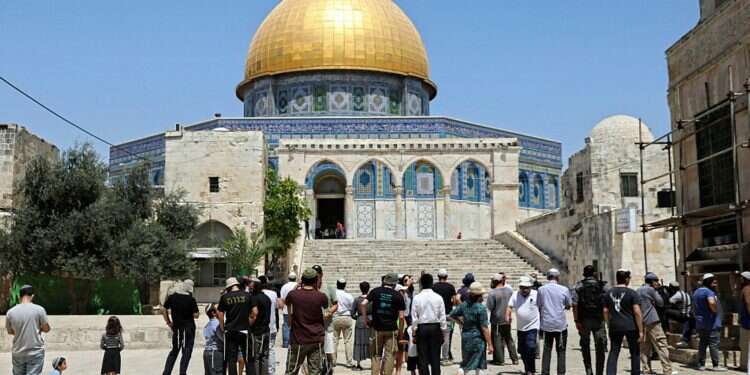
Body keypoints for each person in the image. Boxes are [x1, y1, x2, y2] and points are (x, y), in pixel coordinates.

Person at [285, 268, 329, 375]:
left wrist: (298, 285)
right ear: (316, 280)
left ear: (302, 280)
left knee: (292, 370)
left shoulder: (293, 294)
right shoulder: (321, 296)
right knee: (315, 371)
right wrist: (316, 287)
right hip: (316, 339)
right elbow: (325, 308)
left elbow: (287, 304)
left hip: (298, 339)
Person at [360, 272, 407, 375]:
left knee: (376, 355)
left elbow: (363, 304)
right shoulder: (398, 295)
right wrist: (400, 332)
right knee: (390, 355)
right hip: (391, 329)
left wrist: (365, 319)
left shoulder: (375, 291)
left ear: (384, 281)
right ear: (394, 284)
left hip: (377, 328)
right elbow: (402, 317)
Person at [604, 269, 643, 375]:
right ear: (626, 279)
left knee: (614, 351)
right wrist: (641, 330)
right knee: (635, 352)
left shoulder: (609, 293)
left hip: (615, 325)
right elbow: (637, 312)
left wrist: (608, 323)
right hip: (631, 326)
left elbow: (605, 311)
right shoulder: (632, 293)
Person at [449, 281, 493, 375]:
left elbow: (451, 315)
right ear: (479, 295)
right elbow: (484, 327)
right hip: (478, 338)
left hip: (466, 336)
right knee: (476, 363)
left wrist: (461, 323)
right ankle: (460, 372)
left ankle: (461, 371)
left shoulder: (464, 305)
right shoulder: (481, 308)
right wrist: (490, 344)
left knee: (468, 360)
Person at [6, 284, 50, 375]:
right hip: (35, 351)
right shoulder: (39, 310)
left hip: (18, 352)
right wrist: (39, 328)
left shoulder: (10, 312)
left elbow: (10, 331)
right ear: (32, 296)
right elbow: (46, 328)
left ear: (20, 296)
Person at [572, 265, 607, 375]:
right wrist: (606, 320)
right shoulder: (602, 286)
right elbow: (606, 304)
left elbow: (574, 304)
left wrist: (576, 320)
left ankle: (588, 370)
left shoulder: (578, 286)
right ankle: (599, 372)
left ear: (584, 274)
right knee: (600, 346)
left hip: (584, 319)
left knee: (585, 345)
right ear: (594, 273)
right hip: (598, 319)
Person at [637, 272, 673, 375]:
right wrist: (658, 291)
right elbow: (660, 302)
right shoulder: (651, 290)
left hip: (641, 322)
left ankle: (646, 370)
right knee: (661, 345)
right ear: (653, 281)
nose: (657, 283)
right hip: (652, 321)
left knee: (644, 347)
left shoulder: (638, 290)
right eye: (656, 281)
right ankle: (667, 370)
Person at [411, 273, 446, 375]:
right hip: (435, 327)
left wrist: (414, 330)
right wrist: (443, 330)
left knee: (423, 357)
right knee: (435, 356)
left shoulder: (417, 298)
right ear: (432, 283)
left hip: (422, 328)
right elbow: (442, 316)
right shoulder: (438, 297)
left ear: (421, 284)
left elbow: (414, 317)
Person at [537, 268, 571, 375]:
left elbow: (539, 305)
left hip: (546, 323)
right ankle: (561, 373)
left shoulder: (541, 289)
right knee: (561, 350)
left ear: (548, 277)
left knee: (547, 350)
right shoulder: (564, 289)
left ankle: (545, 372)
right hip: (560, 324)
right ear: (558, 277)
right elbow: (568, 304)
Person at [161, 281, 199, 375]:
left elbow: (163, 308)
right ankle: (182, 372)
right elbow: (196, 315)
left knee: (174, 351)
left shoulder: (173, 297)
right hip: (188, 329)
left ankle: (166, 372)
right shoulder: (191, 299)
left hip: (177, 328)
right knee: (186, 352)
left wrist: (168, 322)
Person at [692, 273, 728, 371]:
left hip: (700, 323)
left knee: (702, 343)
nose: (715, 283)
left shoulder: (696, 292)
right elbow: (712, 303)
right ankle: (715, 365)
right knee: (714, 344)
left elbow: (693, 308)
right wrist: (715, 310)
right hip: (711, 323)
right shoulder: (709, 292)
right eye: (713, 282)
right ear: (708, 282)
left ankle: (701, 365)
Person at [506, 276, 540, 375]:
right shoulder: (515, 295)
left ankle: (530, 370)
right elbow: (509, 306)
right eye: (522, 287)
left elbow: (542, 307)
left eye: (526, 287)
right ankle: (528, 369)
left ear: (530, 287)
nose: (524, 289)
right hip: (521, 327)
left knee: (530, 347)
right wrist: (507, 316)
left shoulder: (536, 294)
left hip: (533, 325)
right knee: (522, 350)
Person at [219, 277, 252, 375]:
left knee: (231, 360)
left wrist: (222, 327)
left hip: (230, 330)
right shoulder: (247, 295)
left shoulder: (225, 297)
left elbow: (220, 313)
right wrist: (249, 324)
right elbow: (254, 313)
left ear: (229, 287)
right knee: (247, 358)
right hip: (244, 331)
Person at [312, 265, 339, 375]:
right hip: (313, 325)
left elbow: (336, 304)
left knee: (328, 350)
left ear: (321, 275)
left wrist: (329, 312)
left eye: (317, 274)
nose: (316, 276)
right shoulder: (309, 288)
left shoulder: (329, 288)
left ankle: (329, 369)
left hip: (326, 325)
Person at [486, 273, 518, 366]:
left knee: (497, 339)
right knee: (509, 339)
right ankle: (514, 358)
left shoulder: (492, 292)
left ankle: (499, 360)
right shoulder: (509, 290)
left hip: (497, 319)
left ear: (495, 281)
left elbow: (490, 307)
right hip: (507, 318)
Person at [433, 269, 458, 365]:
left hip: (436, 314)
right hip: (447, 314)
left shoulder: (434, 286)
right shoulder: (450, 287)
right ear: (446, 277)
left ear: (438, 277)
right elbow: (455, 300)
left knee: (435, 336)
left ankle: (435, 357)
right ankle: (445, 358)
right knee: (446, 337)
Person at [248, 279, 272, 375]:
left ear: (255, 288)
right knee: (265, 356)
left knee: (256, 357)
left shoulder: (255, 298)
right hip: (266, 330)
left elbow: (255, 313)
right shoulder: (267, 298)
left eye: (251, 288)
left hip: (258, 332)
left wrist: (249, 323)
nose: (250, 289)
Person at [333, 279, 355, 367]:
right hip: (346, 317)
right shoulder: (348, 296)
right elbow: (352, 307)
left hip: (335, 317)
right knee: (348, 341)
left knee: (334, 340)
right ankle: (349, 361)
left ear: (337, 284)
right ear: (345, 285)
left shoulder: (333, 294)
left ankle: (333, 361)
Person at [260, 280, 279, 375]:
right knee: (271, 349)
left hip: (261, 327)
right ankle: (271, 371)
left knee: (260, 350)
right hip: (272, 325)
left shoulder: (258, 295)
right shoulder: (273, 294)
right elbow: (277, 307)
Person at [667, 281, 693, 349]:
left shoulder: (677, 295)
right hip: (687, 314)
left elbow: (669, 301)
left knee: (666, 311)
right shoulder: (684, 293)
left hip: (683, 315)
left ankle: (667, 329)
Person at [352, 281, 371, 371]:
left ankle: (358, 364)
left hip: (360, 321)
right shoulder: (371, 300)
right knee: (371, 341)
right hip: (370, 321)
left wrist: (357, 318)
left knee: (359, 341)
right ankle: (373, 362)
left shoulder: (356, 300)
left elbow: (352, 313)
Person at [203, 304, 224, 375]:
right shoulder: (217, 324)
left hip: (207, 352)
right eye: (218, 310)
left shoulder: (207, 325)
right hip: (215, 353)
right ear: (213, 313)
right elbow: (222, 338)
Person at [280, 272, 298, 349]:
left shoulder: (284, 286)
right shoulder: (298, 286)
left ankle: (285, 344)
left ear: (288, 278)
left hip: (286, 310)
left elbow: (282, 298)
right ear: (295, 278)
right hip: (297, 310)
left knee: (286, 326)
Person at [740, 272, 750, 372]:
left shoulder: (746, 288)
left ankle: (745, 366)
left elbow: (748, 302)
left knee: (745, 344)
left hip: (747, 321)